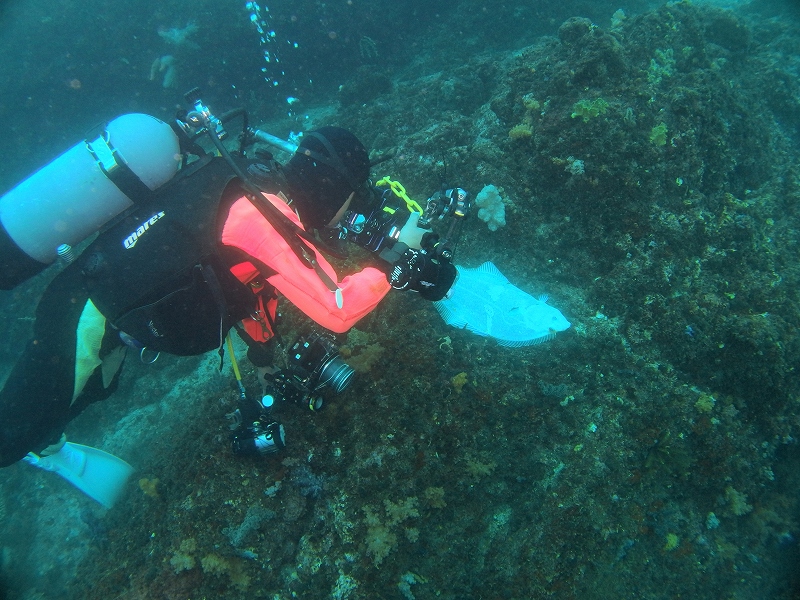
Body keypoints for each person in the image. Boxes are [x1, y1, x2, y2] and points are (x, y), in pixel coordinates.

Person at [0, 125, 456, 473]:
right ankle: (32, 437)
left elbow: (251, 282)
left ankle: (46, 436)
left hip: (108, 317)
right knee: (11, 434)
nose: (347, 216)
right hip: (85, 315)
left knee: (92, 391)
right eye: (351, 199)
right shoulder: (259, 212)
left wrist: (264, 357)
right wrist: (397, 265)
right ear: (332, 186)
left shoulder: (261, 189)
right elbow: (338, 310)